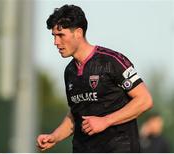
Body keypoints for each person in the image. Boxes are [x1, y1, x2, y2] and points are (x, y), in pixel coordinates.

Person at [36, 4, 153, 152]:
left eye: (61, 35)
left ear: (78, 32)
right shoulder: (70, 71)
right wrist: (55, 136)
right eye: (54, 36)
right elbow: (75, 113)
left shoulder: (112, 61)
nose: (56, 42)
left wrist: (105, 121)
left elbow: (145, 100)